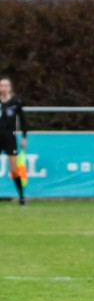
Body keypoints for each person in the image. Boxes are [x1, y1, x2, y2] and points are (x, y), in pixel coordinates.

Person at [0, 76, 29, 206]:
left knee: (14, 168)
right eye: (1, 86)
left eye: (6, 86)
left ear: (10, 88)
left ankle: (22, 196)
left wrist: (24, 137)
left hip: (9, 137)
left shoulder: (15, 102)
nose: (3, 88)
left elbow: (23, 120)